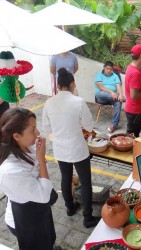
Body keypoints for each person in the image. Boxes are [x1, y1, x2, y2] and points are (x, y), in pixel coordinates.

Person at [42, 68, 100, 228]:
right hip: (78, 149)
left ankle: (69, 208)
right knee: (86, 182)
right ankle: (87, 218)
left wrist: (58, 135)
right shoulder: (78, 101)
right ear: (72, 84)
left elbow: (47, 129)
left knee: (65, 179)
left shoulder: (49, 102)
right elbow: (89, 125)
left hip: (60, 149)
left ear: (58, 85)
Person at [0, 108, 58, 250]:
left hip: (38, 206)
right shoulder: (10, 171)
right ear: (16, 136)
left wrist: (39, 161)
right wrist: (41, 160)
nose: (37, 133)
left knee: (48, 235)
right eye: (32, 130)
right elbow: (44, 195)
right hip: (25, 218)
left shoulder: (25, 146)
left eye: (36, 127)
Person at [95, 61, 124, 133]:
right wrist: (112, 93)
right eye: (107, 69)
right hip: (101, 97)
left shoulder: (115, 76)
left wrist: (120, 95)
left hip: (113, 98)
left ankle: (114, 125)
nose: (109, 71)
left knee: (118, 102)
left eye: (110, 69)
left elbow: (118, 86)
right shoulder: (99, 75)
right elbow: (101, 87)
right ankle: (124, 99)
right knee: (101, 93)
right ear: (104, 68)